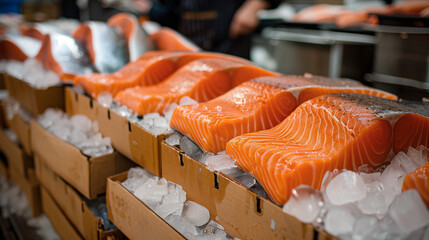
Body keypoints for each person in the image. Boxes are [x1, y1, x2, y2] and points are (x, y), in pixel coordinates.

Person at [133, 0, 282, 59]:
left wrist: (255, 4)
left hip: (232, 53)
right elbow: (170, 15)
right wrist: (149, 8)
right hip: (188, 61)